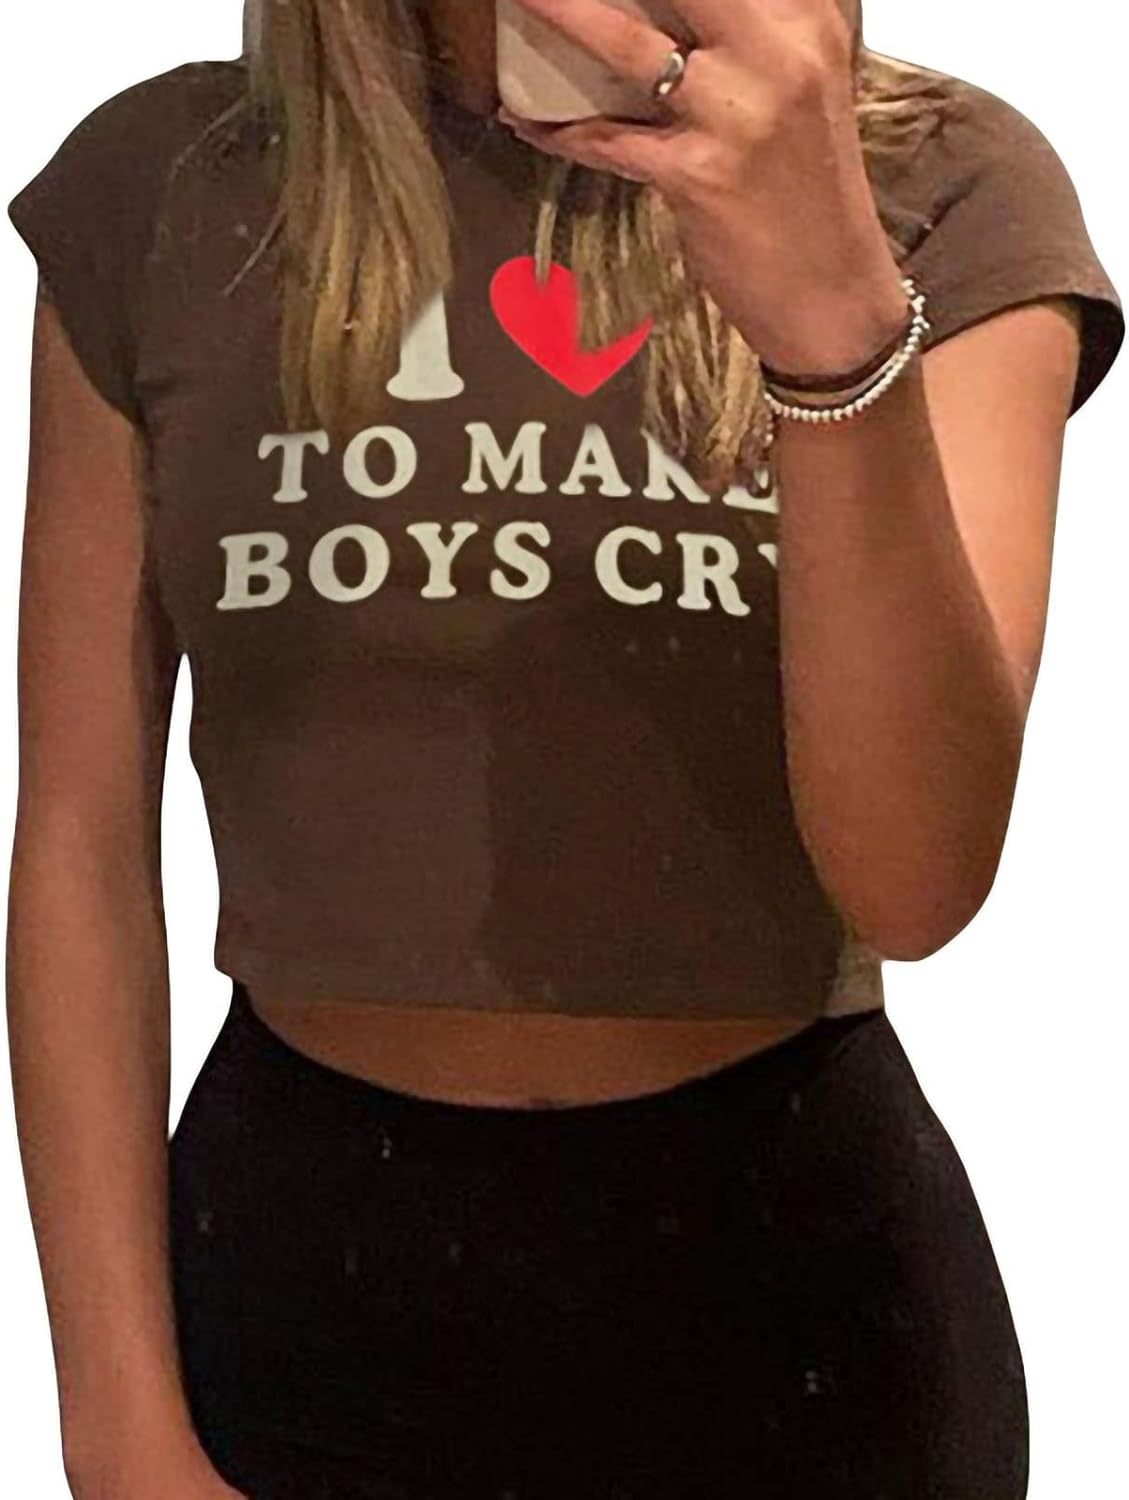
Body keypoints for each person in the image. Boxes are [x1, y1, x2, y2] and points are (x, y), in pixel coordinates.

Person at [5, 1, 1123, 1496]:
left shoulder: (939, 178)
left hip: (791, 1295)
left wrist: (833, 331)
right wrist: (113, 1417)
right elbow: (80, 839)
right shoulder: (168, 179)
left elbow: (914, 883)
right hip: (296, 1276)